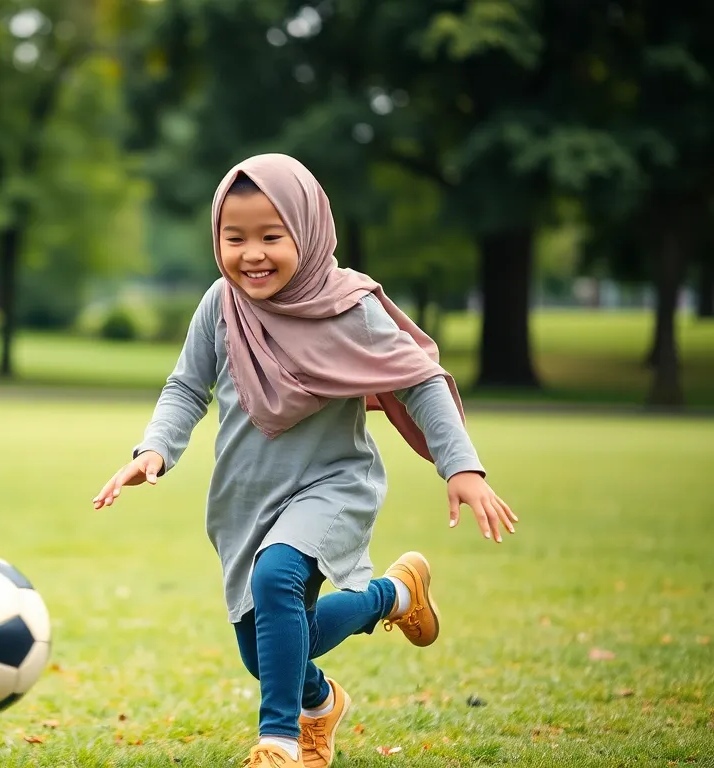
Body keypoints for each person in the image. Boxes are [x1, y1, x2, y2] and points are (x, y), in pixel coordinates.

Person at [91, 153, 517, 768]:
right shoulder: (221, 304)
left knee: (276, 578)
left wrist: (463, 468)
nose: (251, 254)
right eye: (234, 238)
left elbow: (419, 379)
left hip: (333, 483)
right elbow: (187, 387)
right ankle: (387, 605)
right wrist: (154, 450)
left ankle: (280, 741)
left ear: (309, 230)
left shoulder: (348, 305)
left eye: (271, 235)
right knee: (266, 650)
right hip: (245, 496)